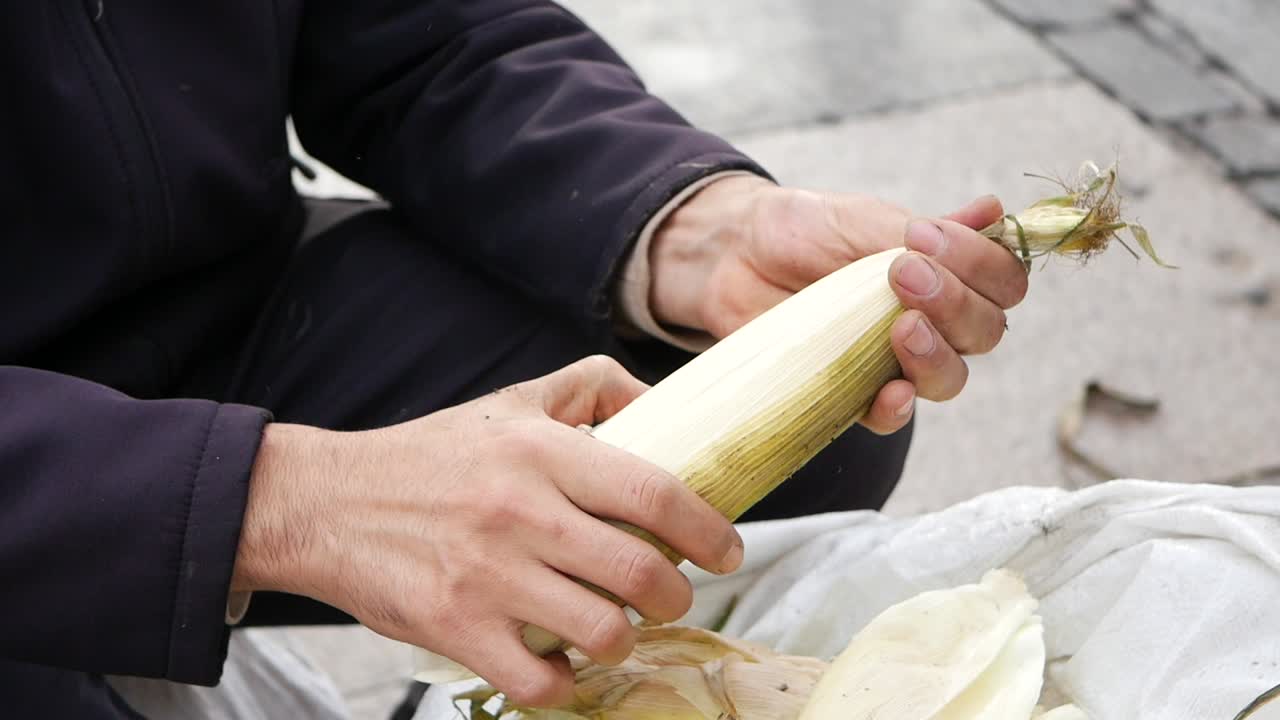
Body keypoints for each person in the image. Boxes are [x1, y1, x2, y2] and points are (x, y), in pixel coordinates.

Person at [0, 2, 1028, 717]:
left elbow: (423, 31)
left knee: (779, 443)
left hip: (200, 296)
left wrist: (683, 231)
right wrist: (278, 502)